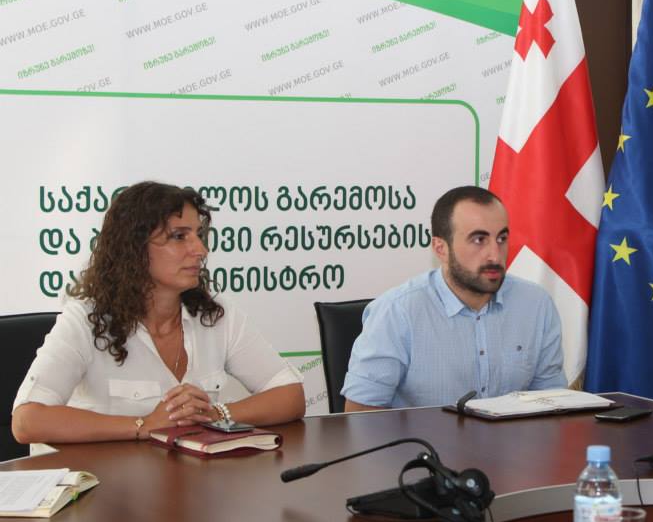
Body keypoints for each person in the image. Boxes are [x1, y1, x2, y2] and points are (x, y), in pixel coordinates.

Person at [12, 181, 305, 443]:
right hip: (104, 483)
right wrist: (143, 425)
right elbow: (27, 421)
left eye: (198, 235)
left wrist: (216, 413)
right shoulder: (87, 320)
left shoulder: (215, 312)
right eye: (179, 236)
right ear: (134, 248)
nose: (200, 250)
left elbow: (290, 394)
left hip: (191, 481)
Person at [341, 185, 567, 411]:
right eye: (479, 240)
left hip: (515, 436)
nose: (495, 255)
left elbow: (552, 403)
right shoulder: (397, 312)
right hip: (424, 436)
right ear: (441, 248)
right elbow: (360, 415)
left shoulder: (536, 305)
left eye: (501, 238)